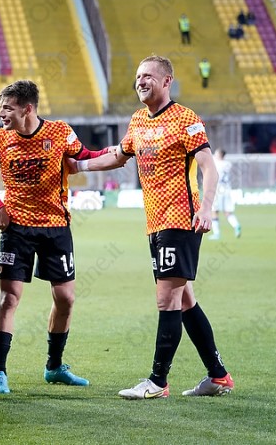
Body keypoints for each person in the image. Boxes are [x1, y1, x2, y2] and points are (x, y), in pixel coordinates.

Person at [73, 55, 234, 399]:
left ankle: (157, 382)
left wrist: (207, 208)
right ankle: (218, 376)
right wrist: (78, 166)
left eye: (148, 75)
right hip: (156, 223)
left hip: (181, 218)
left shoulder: (185, 118)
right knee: (184, 299)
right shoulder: (137, 120)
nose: (141, 81)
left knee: (167, 299)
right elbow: (118, 155)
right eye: (137, 76)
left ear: (166, 81)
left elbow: (209, 167)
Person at [0, 80, 107, 395]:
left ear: (27, 108)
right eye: (0, 108)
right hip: (16, 229)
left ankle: (54, 366)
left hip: (56, 227)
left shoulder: (59, 132)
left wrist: (118, 152)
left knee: (66, 298)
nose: (1, 114)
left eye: (8, 108)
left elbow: (86, 155)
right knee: (9, 298)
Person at [209, 149, 241, 240]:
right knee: (227, 212)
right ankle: (236, 225)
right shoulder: (228, 164)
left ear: (220, 155)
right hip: (227, 189)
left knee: (214, 211)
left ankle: (217, 234)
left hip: (217, 189)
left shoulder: (216, 163)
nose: (214, 155)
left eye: (216, 153)